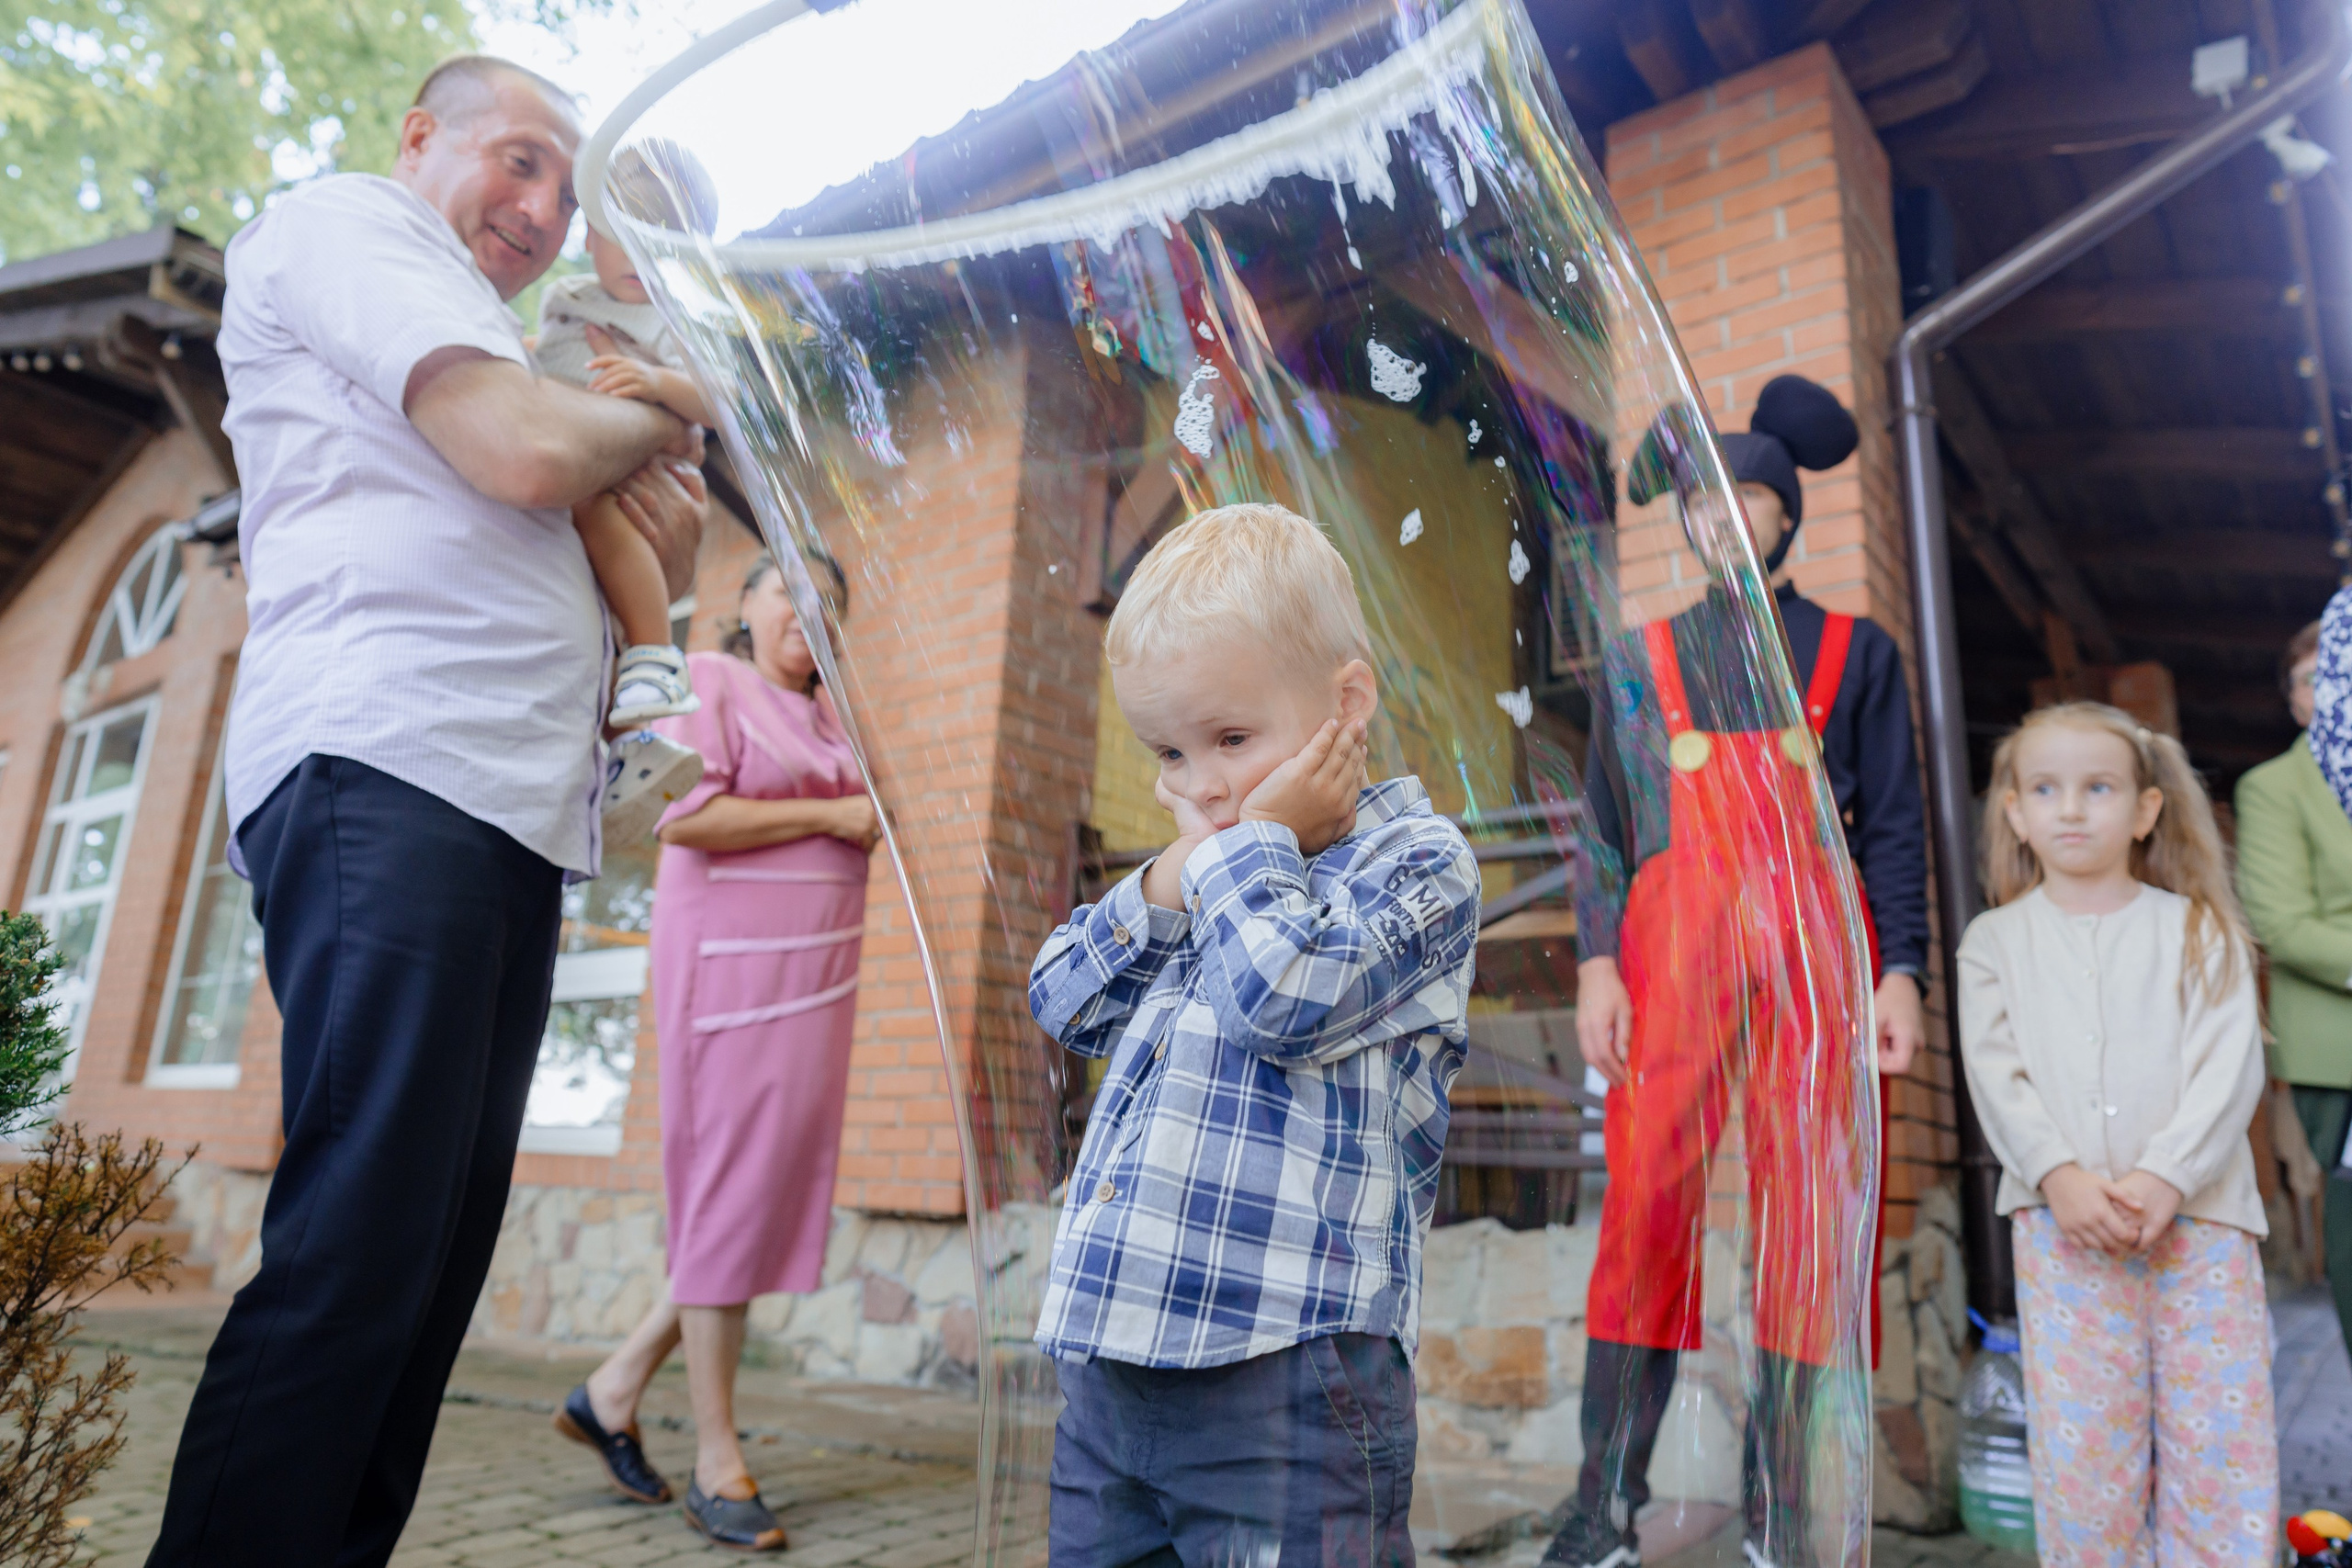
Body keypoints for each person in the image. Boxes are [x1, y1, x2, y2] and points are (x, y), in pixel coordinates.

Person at [146, 55, 708, 1568]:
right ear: (418, 138)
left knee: (425, 1275)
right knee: (356, 1257)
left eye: (566, 189)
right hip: (389, 765)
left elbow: (587, 509)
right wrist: (662, 419)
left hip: (508, 810)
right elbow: (525, 451)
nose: (541, 209)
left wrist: (663, 528)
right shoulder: (346, 227)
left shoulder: (498, 338)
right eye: (518, 161)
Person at [1026, 502, 1481, 1564]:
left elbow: (1287, 1000)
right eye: (1168, 753)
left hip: (1287, 1379)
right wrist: (1169, 875)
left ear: (1346, 702)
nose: (1202, 786)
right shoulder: (1210, 870)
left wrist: (1247, 852)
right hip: (1114, 1364)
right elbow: (1064, 998)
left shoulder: (1416, 864)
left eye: (1231, 739)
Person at [1549, 377, 1917, 1568]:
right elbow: (1603, 829)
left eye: (1749, 500)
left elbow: (1899, 828)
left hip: (1820, 950)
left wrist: (1899, 969)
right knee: (1646, 1206)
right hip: (1670, 957)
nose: (1726, 522)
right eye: (1705, 505)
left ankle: (1785, 1512)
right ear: (1689, 523)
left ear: (1783, 516)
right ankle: (1599, 1511)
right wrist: (1597, 961)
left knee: (1813, 1211)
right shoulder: (1634, 657)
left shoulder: (1859, 655)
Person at [556, 553, 879, 1551]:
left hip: (813, 987)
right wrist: (833, 814)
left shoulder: (833, 716)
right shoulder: (715, 681)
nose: (807, 613)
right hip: (733, 983)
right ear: (747, 606)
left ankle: (610, 1391)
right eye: (790, 593)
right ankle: (714, 1458)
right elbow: (684, 818)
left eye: (829, 602)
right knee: (730, 1192)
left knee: (753, 1199)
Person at [1958, 702, 2274, 1566]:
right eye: (2046, 788)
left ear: (2143, 809)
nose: (2070, 808)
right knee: (2083, 1451)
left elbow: (2230, 1067)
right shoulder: (1992, 944)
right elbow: (1996, 1072)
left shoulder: (2199, 929)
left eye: (2098, 787)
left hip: (2202, 1229)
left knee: (2220, 1443)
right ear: (2015, 810)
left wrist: (2168, 1177)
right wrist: (2059, 1176)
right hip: (2063, 1236)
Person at [535, 141, 718, 732]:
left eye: (662, 238)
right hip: (572, 471)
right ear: (587, 233)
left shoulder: (673, 318)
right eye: (622, 231)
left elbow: (721, 400)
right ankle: (628, 740)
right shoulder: (568, 299)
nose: (640, 252)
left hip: (631, 478)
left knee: (597, 511)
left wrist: (659, 381)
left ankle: (655, 656)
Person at [2235, 619, 2352, 1359]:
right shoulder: (2274, 786)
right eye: (2307, 678)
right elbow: (2281, 920)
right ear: (2292, 699)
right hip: (2337, 1050)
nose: (2325, 689)